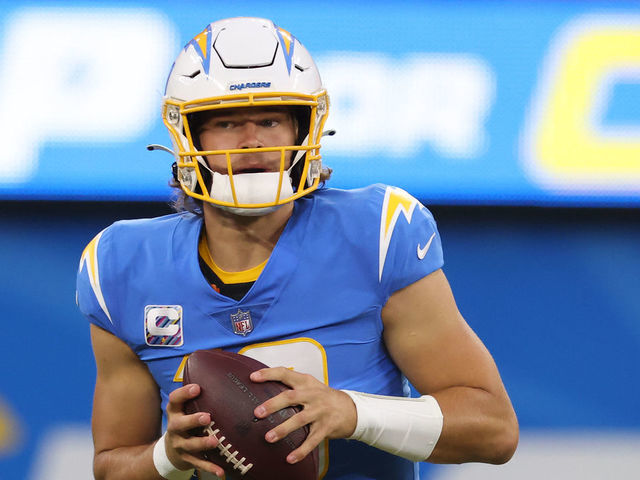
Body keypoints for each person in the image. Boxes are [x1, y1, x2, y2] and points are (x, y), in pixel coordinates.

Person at [77, 16, 518, 480]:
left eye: (270, 119)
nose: (252, 142)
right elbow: (112, 465)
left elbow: (493, 429)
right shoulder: (121, 268)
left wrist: (353, 413)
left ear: (303, 130)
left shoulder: (376, 237)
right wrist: (168, 457)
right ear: (189, 137)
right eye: (227, 122)